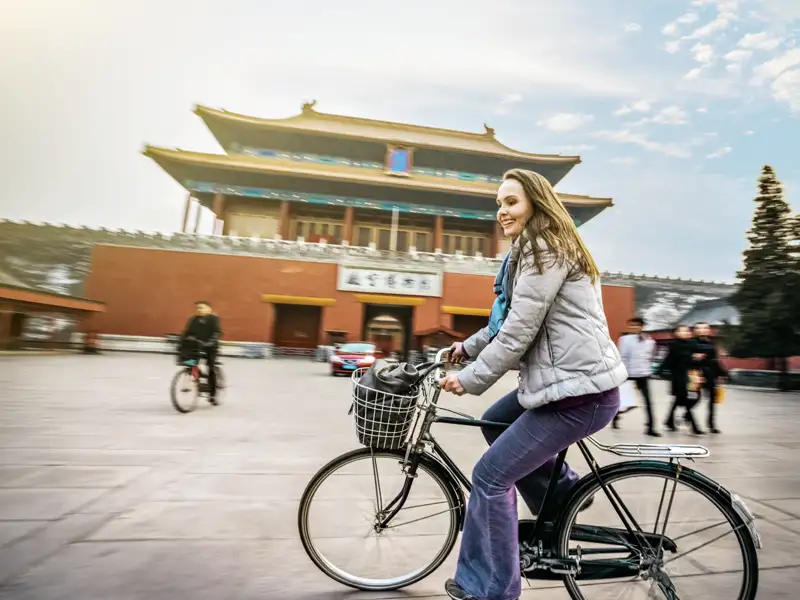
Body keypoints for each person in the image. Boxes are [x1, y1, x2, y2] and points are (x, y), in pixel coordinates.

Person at [437, 168, 627, 600]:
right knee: (494, 423)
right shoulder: (524, 253)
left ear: (536, 203)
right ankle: (563, 497)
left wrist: (470, 379)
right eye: (499, 204)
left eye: (511, 202)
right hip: (564, 387)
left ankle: (494, 589)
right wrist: (463, 350)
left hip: (581, 395)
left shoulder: (545, 249)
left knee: (490, 477)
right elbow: (503, 322)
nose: (502, 211)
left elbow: (519, 332)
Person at [613, 316, 660, 436]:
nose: (634, 328)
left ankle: (651, 427)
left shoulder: (649, 341)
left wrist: (649, 369)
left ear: (642, 327)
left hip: (643, 375)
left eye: (636, 325)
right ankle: (615, 418)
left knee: (648, 401)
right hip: (629, 375)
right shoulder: (624, 340)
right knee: (623, 401)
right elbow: (622, 357)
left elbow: (651, 357)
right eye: (631, 325)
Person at [659, 325, 703, 435]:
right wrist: (693, 357)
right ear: (676, 333)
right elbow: (670, 360)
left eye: (687, 330)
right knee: (686, 401)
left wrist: (697, 361)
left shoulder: (691, 345)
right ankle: (694, 427)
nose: (685, 332)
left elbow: (693, 362)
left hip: (690, 377)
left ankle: (669, 421)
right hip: (679, 378)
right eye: (682, 330)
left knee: (683, 400)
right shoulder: (675, 345)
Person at [179, 300, 222, 403]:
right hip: (197, 346)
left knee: (210, 368)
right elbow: (187, 332)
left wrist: (211, 342)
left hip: (210, 347)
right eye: (197, 308)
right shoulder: (193, 319)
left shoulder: (214, 319)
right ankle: (196, 377)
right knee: (191, 362)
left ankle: (213, 394)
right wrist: (182, 339)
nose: (199, 310)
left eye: (201, 307)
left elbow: (217, 332)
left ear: (209, 309)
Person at [692, 322, 727, 434]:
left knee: (713, 400)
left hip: (710, 373)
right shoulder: (691, 343)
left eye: (705, 328)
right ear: (695, 331)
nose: (703, 330)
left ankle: (711, 424)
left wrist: (722, 374)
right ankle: (687, 414)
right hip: (696, 374)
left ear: (708, 330)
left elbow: (715, 360)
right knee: (694, 398)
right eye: (700, 328)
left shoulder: (712, 343)